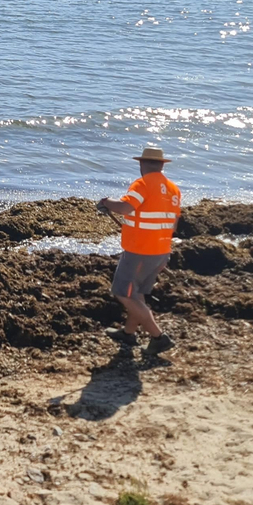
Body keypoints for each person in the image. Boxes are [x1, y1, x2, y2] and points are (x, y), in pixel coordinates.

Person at [97, 146, 181, 357]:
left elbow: (126, 208)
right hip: (161, 251)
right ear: (162, 165)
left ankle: (158, 338)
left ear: (142, 164)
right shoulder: (173, 189)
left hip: (139, 252)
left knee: (122, 293)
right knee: (136, 294)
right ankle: (128, 333)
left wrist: (106, 203)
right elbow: (174, 224)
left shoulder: (142, 184)